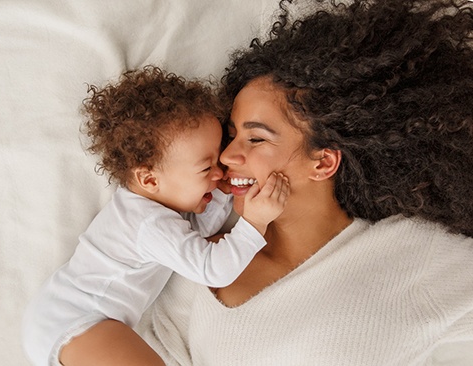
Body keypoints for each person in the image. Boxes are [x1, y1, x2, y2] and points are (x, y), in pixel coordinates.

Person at [139, 0, 473, 364]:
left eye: (256, 139)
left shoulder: (413, 254)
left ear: (324, 161)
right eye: (231, 136)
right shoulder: (201, 255)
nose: (226, 156)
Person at [22, 66, 290, 366]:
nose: (220, 172)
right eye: (206, 168)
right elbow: (212, 267)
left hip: (65, 317)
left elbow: (197, 233)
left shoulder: (152, 207)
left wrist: (221, 192)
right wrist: (254, 223)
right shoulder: (149, 223)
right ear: (149, 179)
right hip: (78, 320)